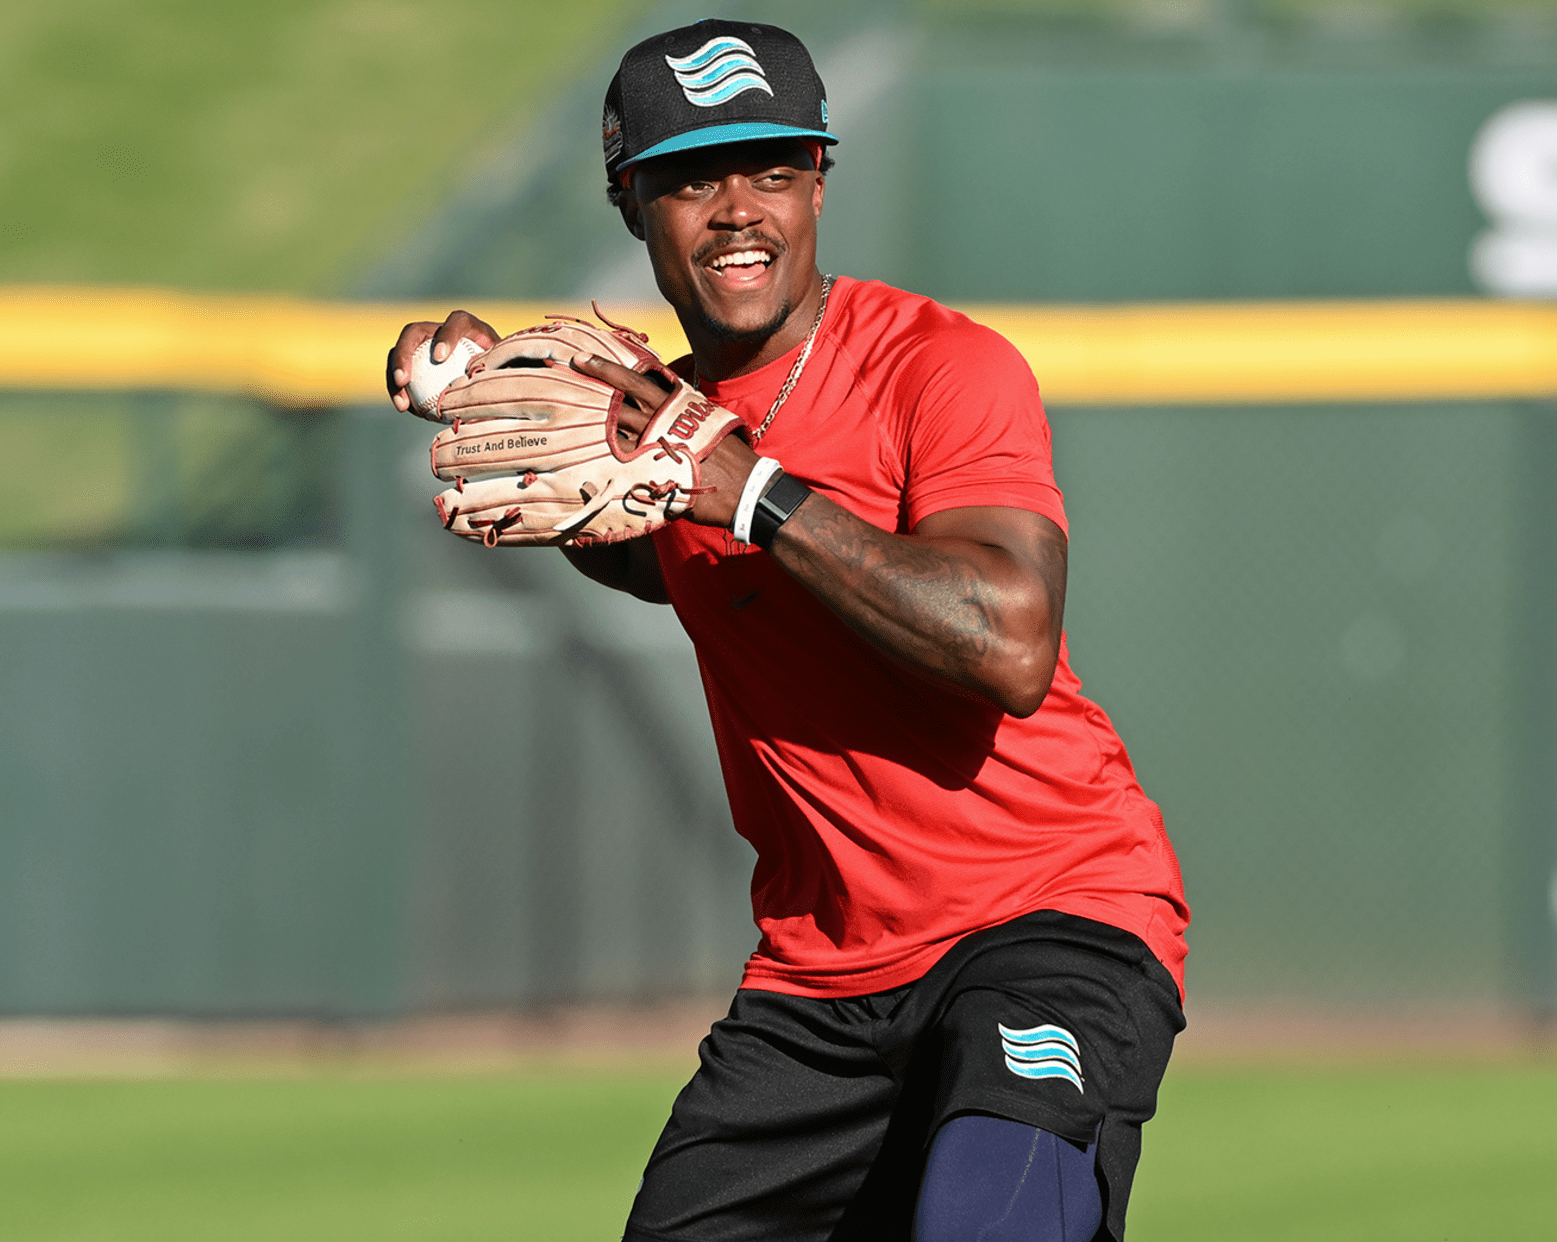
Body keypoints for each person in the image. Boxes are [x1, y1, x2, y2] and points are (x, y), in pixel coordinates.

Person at [385, 19, 1188, 1242]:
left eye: (771, 169)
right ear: (628, 201)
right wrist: (510, 395)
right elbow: (686, 570)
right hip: (823, 975)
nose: (737, 211)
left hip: (1048, 914)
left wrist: (748, 489)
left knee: (990, 1220)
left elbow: (1013, 644)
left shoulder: (941, 368)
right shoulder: (657, 421)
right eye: (691, 179)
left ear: (821, 177)